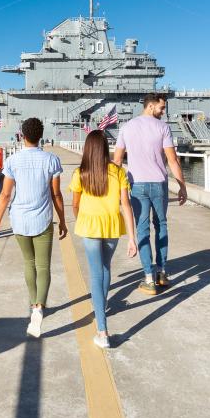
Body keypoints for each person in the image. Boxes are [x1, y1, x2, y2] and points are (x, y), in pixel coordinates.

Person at [0, 117, 67, 338]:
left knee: (29, 263)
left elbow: (5, 195)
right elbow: (56, 194)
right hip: (43, 219)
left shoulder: (13, 161)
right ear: (40, 136)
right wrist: (62, 220)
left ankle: (33, 304)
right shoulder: (52, 160)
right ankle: (39, 308)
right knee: (43, 267)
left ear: (22, 135)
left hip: (20, 221)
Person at [113, 92, 187, 296]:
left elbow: (117, 160)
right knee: (161, 226)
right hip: (159, 184)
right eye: (161, 108)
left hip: (136, 185)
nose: (163, 112)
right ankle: (162, 273)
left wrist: (113, 188)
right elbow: (172, 160)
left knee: (142, 230)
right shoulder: (163, 127)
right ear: (151, 106)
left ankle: (148, 278)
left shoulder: (126, 127)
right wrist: (182, 186)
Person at [70, 130, 137, 349]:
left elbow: (75, 203)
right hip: (111, 225)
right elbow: (125, 205)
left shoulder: (80, 173)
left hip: (89, 225)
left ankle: (102, 330)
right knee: (105, 268)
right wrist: (132, 238)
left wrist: (80, 219)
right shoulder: (118, 172)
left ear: (88, 149)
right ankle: (102, 304)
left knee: (96, 273)